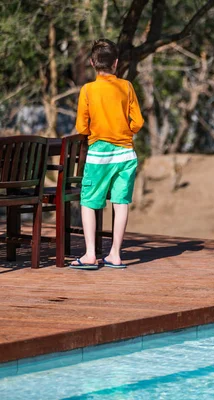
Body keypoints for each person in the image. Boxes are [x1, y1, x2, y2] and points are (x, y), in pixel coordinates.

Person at [70, 39, 144, 270]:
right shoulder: (127, 87)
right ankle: (115, 254)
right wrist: (125, 131)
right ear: (116, 63)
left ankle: (90, 254)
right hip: (125, 155)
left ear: (92, 63)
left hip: (99, 154)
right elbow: (138, 121)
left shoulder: (88, 90)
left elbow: (82, 128)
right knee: (121, 203)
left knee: (89, 202)